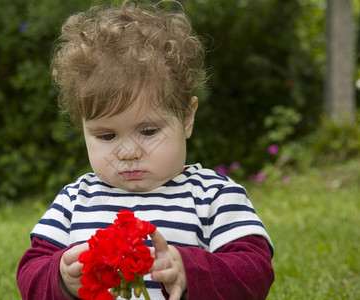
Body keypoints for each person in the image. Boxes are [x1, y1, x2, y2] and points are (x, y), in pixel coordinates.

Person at [16, 0, 274, 299]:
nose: (128, 152)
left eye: (148, 131)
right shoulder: (75, 200)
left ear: (187, 117)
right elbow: (30, 272)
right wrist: (60, 275)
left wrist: (189, 270)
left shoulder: (213, 197)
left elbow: (255, 272)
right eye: (107, 135)